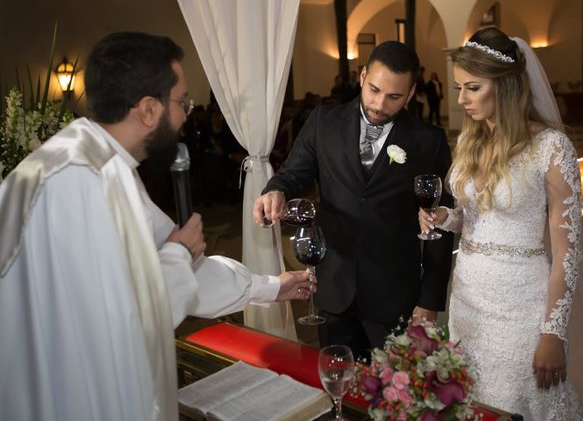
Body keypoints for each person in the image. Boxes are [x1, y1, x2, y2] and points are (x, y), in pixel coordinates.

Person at [0, 32, 315, 421]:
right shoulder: (77, 182)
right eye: (182, 102)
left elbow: (184, 272)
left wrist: (270, 286)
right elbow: (123, 315)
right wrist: (179, 254)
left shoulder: (101, 165)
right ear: (149, 110)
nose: (186, 114)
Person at [419, 27, 583, 419]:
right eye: (458, 87)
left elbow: (568, 255)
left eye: (472, 87)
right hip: (467, 300)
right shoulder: (472, 140)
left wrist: (553, 332)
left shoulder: (552, 148)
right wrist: (445, 217)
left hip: (521, 307)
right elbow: (475, 217)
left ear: (505, 86)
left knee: (517, 404)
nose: (461, 99)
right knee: (470, 402)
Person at [253, 41, 454, 360]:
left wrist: (429, 299)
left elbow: (441, 223)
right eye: (374, 89)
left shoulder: (428, 141)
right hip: (333, 289)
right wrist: (276, 189)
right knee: (338, 390)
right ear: (362, 77)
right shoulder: (324, 121)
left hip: (394, 295)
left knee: (395, 399)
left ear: (412, 92)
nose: (379, 104)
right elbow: (292, 174)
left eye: (394, 97)